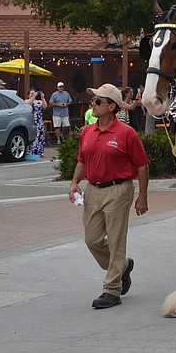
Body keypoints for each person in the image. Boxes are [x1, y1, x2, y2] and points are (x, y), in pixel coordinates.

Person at [68, 83, 150, 309]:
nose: (92, 104)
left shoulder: (127, 133)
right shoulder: (87, 131)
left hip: (119, 189)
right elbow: (82, 160)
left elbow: (142, 166)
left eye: (97, 101)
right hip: (92, 190)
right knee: (92, 240)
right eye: (93, 100)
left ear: (112, 107)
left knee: (116, 241)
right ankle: (123, 266)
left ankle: (112, 290)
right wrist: (75, 183)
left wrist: (142, 197)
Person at [26, 88, 47, 157]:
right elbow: (29, 103)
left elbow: (45, 107)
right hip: (32, 120)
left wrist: (43, 98)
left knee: (40, 136)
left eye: (34, 93)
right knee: (33, 136)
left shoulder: (39, 101)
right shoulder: (26, 101)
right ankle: (31, 151)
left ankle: (40, 151)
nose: (32, 94)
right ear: (28, 95)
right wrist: (33, 97)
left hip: (39, 120)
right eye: (31, 93)